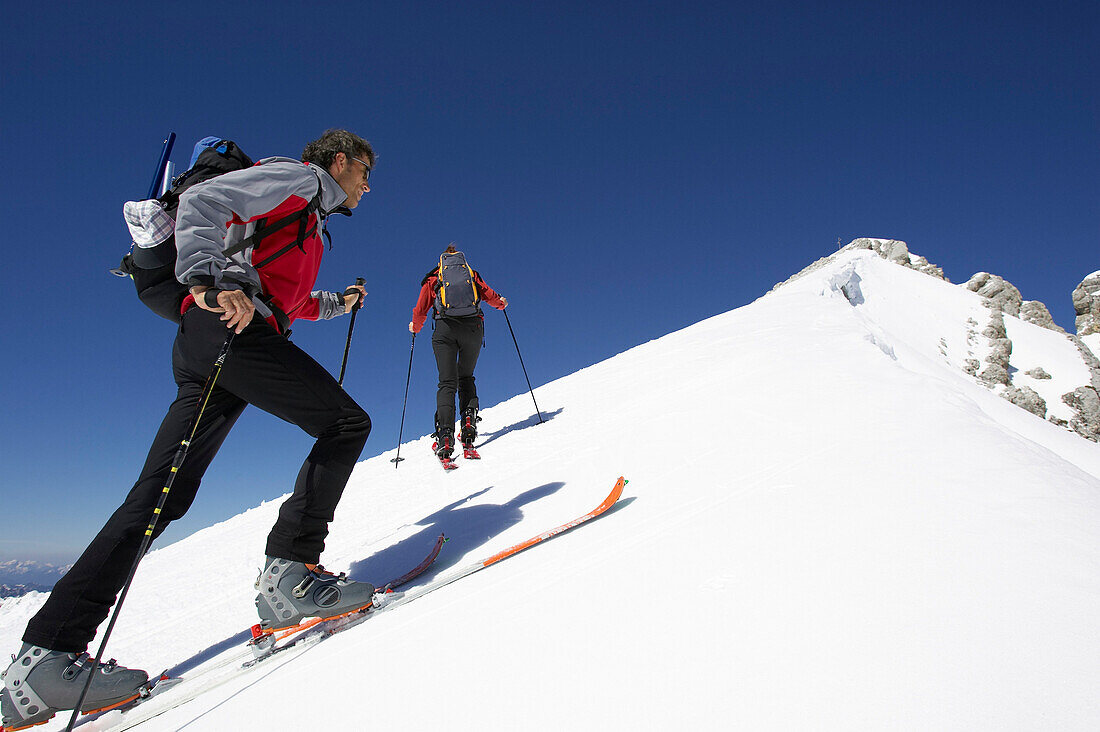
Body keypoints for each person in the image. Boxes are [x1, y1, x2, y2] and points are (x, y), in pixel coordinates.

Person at [1, 129, 377, 730]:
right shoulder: (299, 181)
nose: (367, 185)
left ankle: (44, 659)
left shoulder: (308, 224)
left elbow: (292, 300)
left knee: (159, 496)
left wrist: (342, 302)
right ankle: (290, 573)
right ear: (340, 161)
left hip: (215, 339)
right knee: (346, 422)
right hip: (227, 327)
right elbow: (207, 204)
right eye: (364, 172)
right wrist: (207, 278)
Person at [409, 245, 507, 459]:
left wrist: (415, 327)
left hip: (445, 330)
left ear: (442, 260)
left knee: (447, 382)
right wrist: (501, 303)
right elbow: (489, 295)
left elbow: (421, 308)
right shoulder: (471, 274)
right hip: (473, 330)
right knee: (466, 376)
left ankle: (445, 437)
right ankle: (469, 424)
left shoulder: (434, 277)